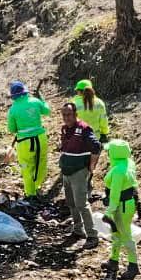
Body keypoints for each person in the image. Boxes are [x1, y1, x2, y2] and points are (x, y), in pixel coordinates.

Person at [57, 101, 102, 245]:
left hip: (78, 172)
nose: (66, 117)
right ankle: (77, 230)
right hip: (66, 172)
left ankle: (92, 236)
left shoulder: (83, 129)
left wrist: (92, 166)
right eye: (64, 115)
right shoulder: (64, 129)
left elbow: (96, 146)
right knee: (71, 203)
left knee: (82, 203)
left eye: (69, 114)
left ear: (75, 114)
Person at [102, 139, 141, 280]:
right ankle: (113, 260)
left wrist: (108, 211)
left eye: (109, 151)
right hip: (127, 203)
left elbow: (115, 194)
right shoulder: (128, 163)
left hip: (121, 206)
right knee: (117, 233)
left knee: (124, 234)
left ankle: (133, 265)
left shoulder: (119, 171)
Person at [5, 80, 51, 197]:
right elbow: (47, 111)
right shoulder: (35, 101)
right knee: (41, 162)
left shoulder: (13, 109)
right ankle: (38, 185)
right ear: (25, 92)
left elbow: (12, 129)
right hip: (41, 138)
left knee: (26, 167)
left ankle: (30, 194)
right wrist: (42, 99)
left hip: (25, 142)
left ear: (13, 96)